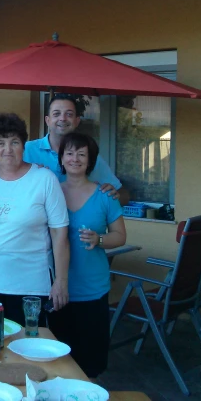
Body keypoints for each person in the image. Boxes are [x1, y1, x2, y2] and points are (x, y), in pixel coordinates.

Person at [0, 113, 70, 324]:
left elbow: (59, 233)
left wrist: (61, 281)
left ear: (24, 146)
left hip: (32, 288)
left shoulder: (44, 179)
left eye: (14, 142)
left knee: (28, 350)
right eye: (1, 143)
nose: (7, 149)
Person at [52, 132, 127, 379]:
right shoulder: (50, 190)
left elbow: (120, 236)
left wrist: (99, 239)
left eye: (82, 154)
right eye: (70, 153)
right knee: (57, 363)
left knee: (90, 365)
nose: (75, 159)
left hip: (92, 290)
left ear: (90, 161)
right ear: (61, 158)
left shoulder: (105, 195)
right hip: (56, 290)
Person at [23, 94, 129, 205]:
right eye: (56, 114)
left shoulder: (87, 155)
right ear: (47, 120)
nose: (62, 118)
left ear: (77, 121)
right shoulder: (27, 150)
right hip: (37, 221)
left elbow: (124, 195)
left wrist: (111, 197)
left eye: (69, 114)